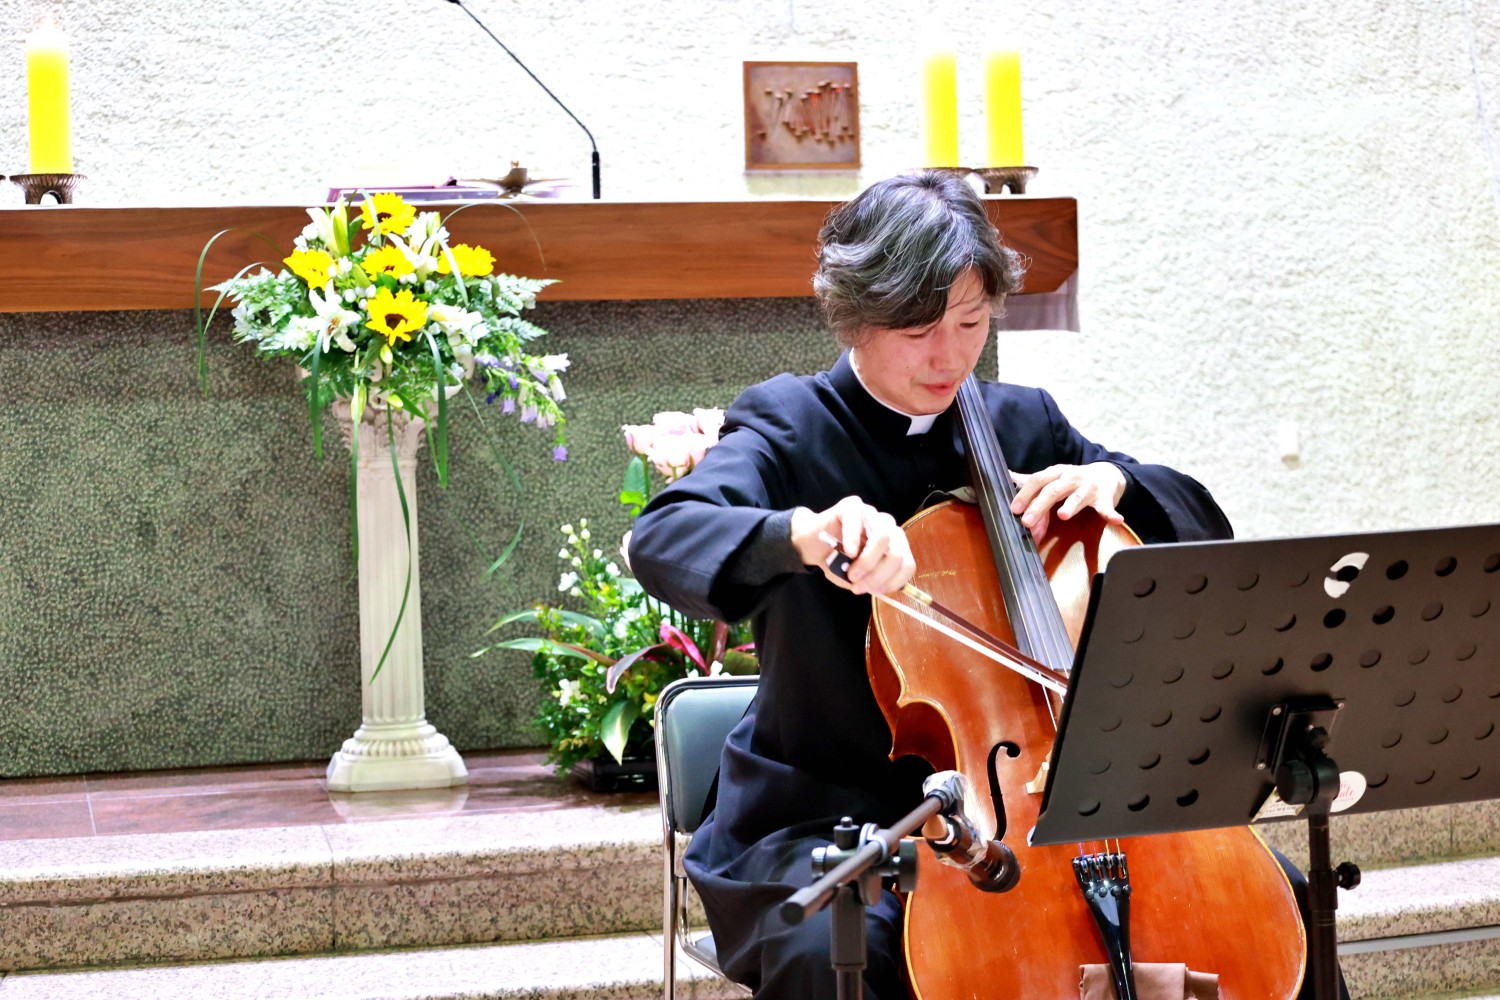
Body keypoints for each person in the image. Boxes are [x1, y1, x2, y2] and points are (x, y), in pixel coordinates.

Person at [629, 170, 1343, 1000]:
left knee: (1278, 903)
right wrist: (805, 535)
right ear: (856, 315)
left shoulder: (1020, 424)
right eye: (918, 329)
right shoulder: (789, 425)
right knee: (836, 953)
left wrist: (1117, 484)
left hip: (1039, 811)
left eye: (970, 323)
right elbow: (664, 536)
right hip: (836, 820)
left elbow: (1202, 524)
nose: (949, 357)